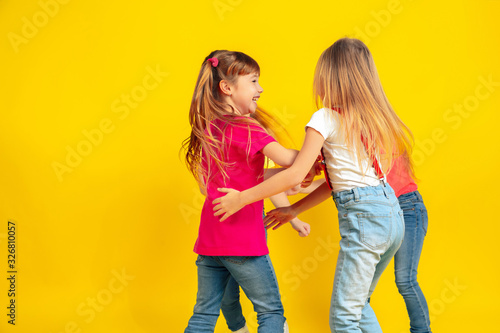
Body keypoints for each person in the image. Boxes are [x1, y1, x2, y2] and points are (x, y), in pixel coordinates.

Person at [213, 38, 413, 332]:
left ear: (329, 77)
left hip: (366, 222)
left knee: (344, 319)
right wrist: (293, 210)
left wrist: (242, 198)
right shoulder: (365, 121)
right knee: (360, 306)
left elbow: (295, 174)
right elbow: (337, 183)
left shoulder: (325, 117)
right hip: (391, 218)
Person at [182, 50, 316, 333]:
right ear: (227, 88)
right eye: (254, 81)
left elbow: (255, 178)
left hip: (209, 243)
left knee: (203, 315)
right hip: (242, 241)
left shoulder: (210, 129)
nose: (260, 88)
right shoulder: (247, 127)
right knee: (270, 312)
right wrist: (317, 150)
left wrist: (293, 196)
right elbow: (286, 159)